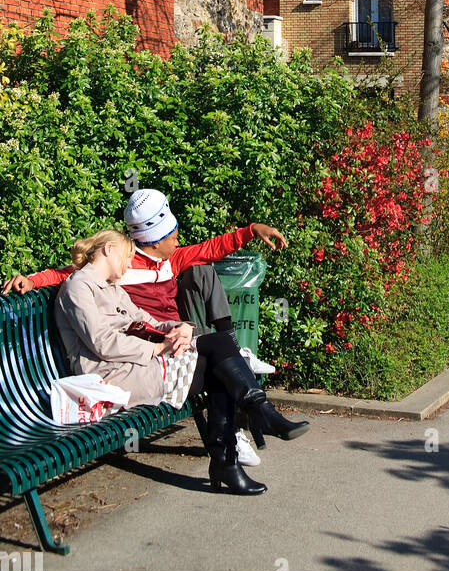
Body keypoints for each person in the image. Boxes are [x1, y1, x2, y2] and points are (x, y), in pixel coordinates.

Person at [2, 189, 308, 459]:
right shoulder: (118, 267)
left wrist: (251, 230)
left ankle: (240, 424)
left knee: (204, 277)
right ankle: (236, 435)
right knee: (220, 361)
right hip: (145, 350)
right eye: (172, 234)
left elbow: (210, 248)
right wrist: (32, 280)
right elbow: (66, 275)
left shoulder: (169, 259)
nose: (178, 238)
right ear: (155, 240)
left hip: (169, 333)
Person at [54, 229, 308, 495]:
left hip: (137, 364)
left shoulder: (110, 287)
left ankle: (242, 438)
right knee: (216, 362)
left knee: (216, 350)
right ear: (108, 250)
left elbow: (146, 320)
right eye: (127, 257)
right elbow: (102, 343)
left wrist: (181, 327)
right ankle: (239, 442)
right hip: (113, 377)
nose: (130, 264)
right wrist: (157, 348)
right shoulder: (78, 287)